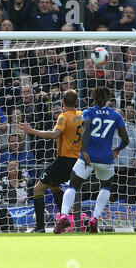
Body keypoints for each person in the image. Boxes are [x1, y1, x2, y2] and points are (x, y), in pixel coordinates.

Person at [55, 86, 129, 234]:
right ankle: (94, 219)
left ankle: (63, 216)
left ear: (93, 98)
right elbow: (126, 140)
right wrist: (116, 150)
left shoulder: (88, 112)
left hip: (87, 157)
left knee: (72, 186)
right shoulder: (116, 115)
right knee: (106, 187)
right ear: (108, 99)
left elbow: (87, 130)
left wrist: (83, 150)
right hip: (106, 158)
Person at [19, 90, 82, 232]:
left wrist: (32, 131)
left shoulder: (64, 116)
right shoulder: (81, 116)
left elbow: (55, 134)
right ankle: (66, 221)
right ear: (76, 102)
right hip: (77, 162)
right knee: (54, 187)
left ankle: (40, 227)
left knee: (37, 189)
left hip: (64, 161)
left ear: (63, 103)